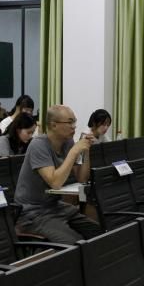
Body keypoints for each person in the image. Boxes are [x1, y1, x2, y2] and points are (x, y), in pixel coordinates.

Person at [13, 104, 101, 244]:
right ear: (53, 125)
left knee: (98, 232)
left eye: (74, 122)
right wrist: (74, 151)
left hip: (55, 206)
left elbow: (82, 178)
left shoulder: (67, 142)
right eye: (69, 122)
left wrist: (85, 151)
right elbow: (55, 182)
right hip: (32, 212)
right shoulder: (38, 145)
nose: (74, 127)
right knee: (76, 243)